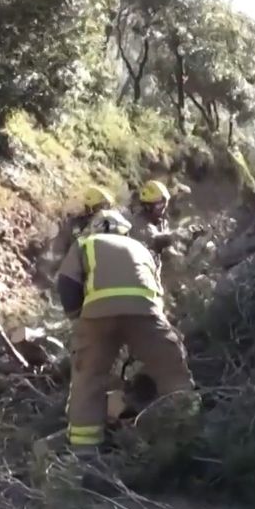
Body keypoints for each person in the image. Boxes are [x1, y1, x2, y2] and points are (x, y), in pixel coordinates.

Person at [51, 208, 197, 478]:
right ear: (124, 230)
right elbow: (156, 290)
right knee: (171, 370)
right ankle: (188, 429)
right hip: (145, 312)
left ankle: (84, 452)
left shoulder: (84, 243)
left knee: (88, 378)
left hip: (97, 316)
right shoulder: (140, 248)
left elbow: (67, 283)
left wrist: (78, 317)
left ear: (96, 228)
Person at [42, 185, 115, 280]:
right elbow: (57, 250)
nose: (105, 211)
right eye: (102, 206)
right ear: (94, 205)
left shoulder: (104, 226)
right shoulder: (76, 223)